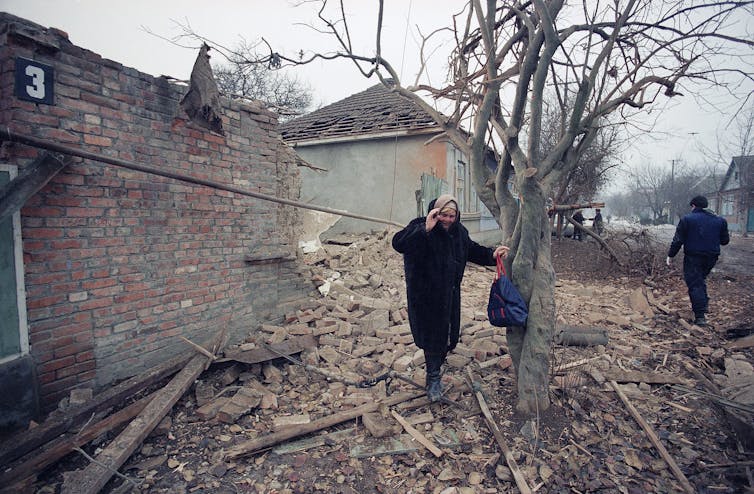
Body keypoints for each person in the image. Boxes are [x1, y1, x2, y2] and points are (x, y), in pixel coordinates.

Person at [392, 194, 509, 402]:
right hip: (425, 296)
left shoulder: (459, 232)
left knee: (447, 336)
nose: (447, 219)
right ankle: (433, 378)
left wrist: (492, 254)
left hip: (450, 295)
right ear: (434, 212)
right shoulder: (420, 226)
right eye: (443, 215)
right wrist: (425, 229)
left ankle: (437, 366)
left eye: (451, 216)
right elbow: (399, 243)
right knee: (431, 338)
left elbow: (472, 250)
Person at [666, 195, 730, 327]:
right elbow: (725, 241)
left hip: (693, 256)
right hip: (712, 257)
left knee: (695, 284)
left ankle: (700, 316)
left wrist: (670, 255)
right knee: (699, 280)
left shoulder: (687, 219)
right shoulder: (720, 220)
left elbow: (678, 240)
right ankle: (703, 303)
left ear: (693, 206)